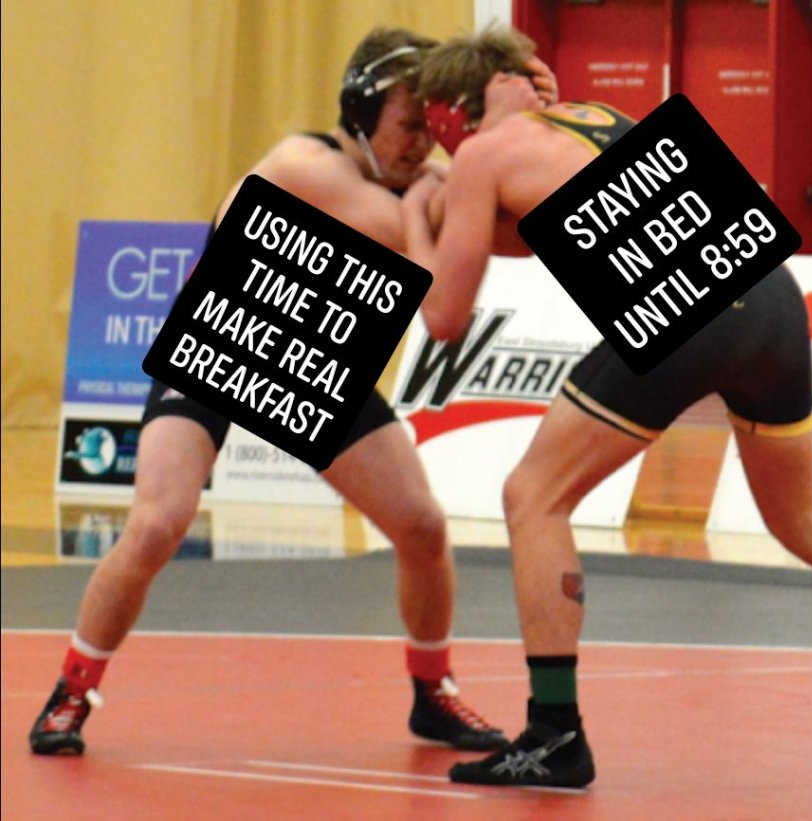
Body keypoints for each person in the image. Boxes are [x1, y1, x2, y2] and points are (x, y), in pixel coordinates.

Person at [400, 27, 812, 788]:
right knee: (803, 518)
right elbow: (535, 232)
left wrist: (417, 222)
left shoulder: (484, 155)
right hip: (770, 296)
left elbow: (443, 318)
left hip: (685, 308)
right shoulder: (594, 117)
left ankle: (555, 732)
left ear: (451, 113)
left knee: (533, 496)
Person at [29, 27, 537, 758]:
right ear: (361, 112)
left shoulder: (417, 182)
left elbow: (501, 230)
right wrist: (464, 180)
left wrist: (523, 139)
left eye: (433, 128)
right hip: (221, 345)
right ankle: (72, 691)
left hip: (311, 361)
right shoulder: (304, 164)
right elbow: (414, 233)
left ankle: (433, 692)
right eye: (409, 125)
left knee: (423, 526)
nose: (423, 144)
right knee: (156, 523)